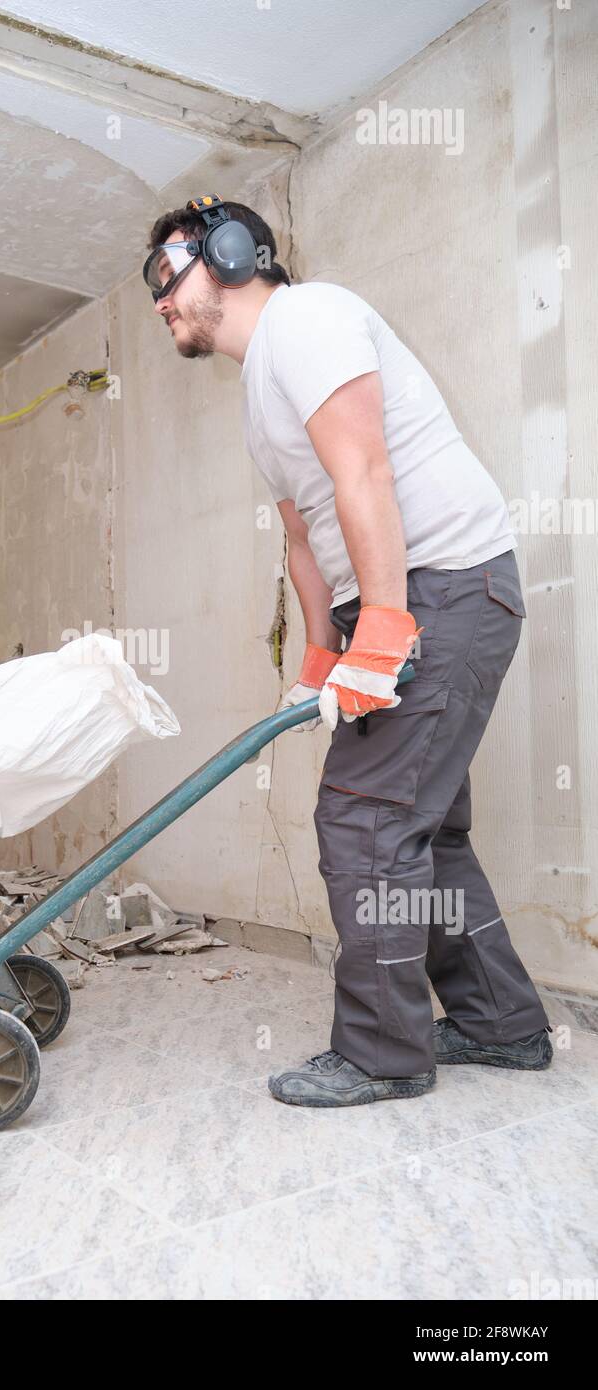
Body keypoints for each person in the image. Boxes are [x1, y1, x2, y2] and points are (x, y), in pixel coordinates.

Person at [143, 195, 551, 1107]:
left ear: (233, 252)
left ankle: (383, 1055)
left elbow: (365, 469)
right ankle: (503, 1023)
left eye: (165, 274)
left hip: (443, 585)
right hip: (422, 596)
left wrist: (385, 624)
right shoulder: (258, 391)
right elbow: (301, 540)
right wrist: (318, 661)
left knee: (364, 822)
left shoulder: (310, 317)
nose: (159, 301)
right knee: (421, 830)